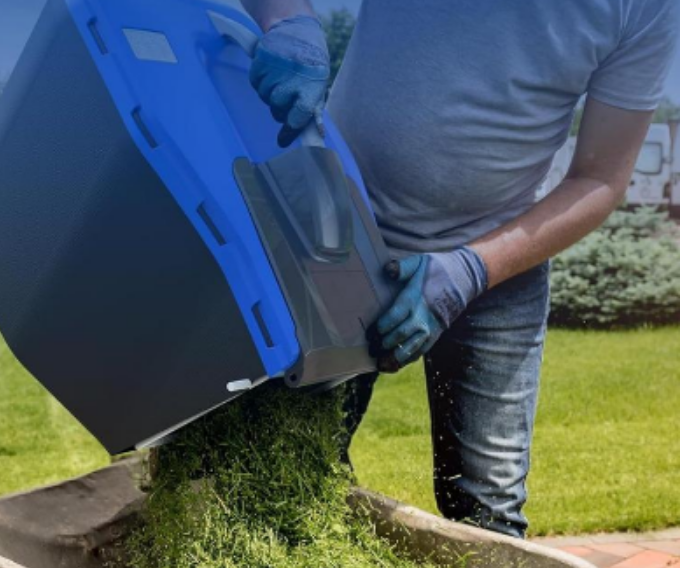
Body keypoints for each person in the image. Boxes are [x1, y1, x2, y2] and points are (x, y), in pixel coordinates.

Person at [241, 0, 680, 538]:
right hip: (341, 236)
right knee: (285, 472)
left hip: (499, 264)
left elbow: (600, 179)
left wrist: (472, 269)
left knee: (487, 512)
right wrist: (289, 20)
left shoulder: (643, 7)